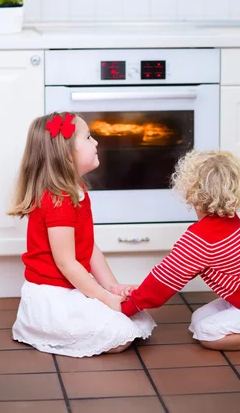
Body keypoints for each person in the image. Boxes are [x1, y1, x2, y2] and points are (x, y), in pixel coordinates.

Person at [119, 150, 240, 351]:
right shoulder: (228, 218)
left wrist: (128, 307)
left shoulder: (201, 239)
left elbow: (163, 283)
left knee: (206, 333)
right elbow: (165, 276)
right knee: (197, 319)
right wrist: (139, 292)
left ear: (188, 190)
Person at [9, 111, 155, 357]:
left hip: (71, 286)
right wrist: (103, 297)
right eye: (88, 138)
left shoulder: (77, 190)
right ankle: (40, 328)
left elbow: (88, 248)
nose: (96, 142)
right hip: (53, 296)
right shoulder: (58, 200)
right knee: (119, 336)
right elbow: (66, 263)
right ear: (66, 155)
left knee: (135, 319)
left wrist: (111, 287)